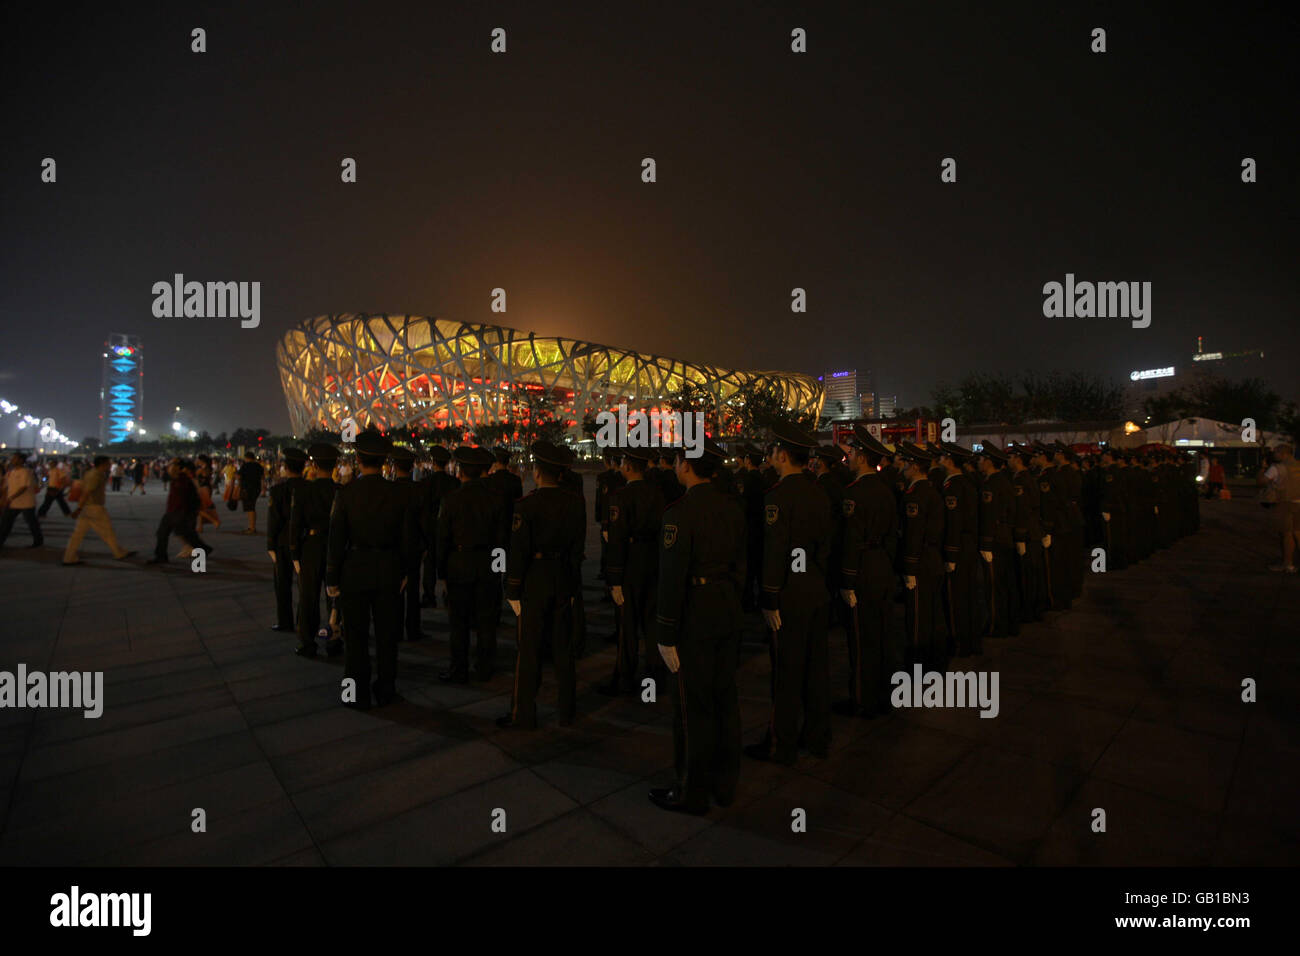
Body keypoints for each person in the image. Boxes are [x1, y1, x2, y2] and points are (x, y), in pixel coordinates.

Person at [649, 437, 746, 814]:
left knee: (691, 707)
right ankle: (725, 784)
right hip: (725, 609)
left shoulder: (680, 513)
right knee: (726, 700)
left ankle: (691, 790)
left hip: (693, 616)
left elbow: (672, 578)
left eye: (677, 460)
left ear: (686, 465)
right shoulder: (732, 508)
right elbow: (742, 566)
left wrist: (666, 632)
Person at [746, 421, 832, 766]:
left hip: (790, 595)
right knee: (816, 668)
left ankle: (780, 744)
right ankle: (817, 737)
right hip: (815, 588)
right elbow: (824, 547)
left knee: (785, 671)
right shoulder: (819, 492)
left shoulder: (778, 497)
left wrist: (769, 596)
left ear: (782, 455)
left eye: (772, 452)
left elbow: (776, 551)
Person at [497, 441, 587, 730]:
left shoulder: (528, 505)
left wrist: (512, 589)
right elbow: (577, 550)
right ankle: (567, 712)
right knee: (564, 650)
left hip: (534, 581)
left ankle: (523, 714)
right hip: (562, 577)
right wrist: (573, 586)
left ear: (537, 472)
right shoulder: (574, 504)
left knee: (529, 651)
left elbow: (519, 551)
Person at [325, 432, 419, 708]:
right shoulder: (398, 495)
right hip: (389, 569)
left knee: (355, 637)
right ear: (385, 461)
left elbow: (336, 539)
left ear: (357, 459)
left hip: (355, 569)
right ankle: (386, 689)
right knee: (388, 636)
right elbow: (408, 540)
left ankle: (355, 693)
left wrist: (332, 576)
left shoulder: (346, 494)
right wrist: (405, 572)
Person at [834, 428, 897, 718]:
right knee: (883, 635)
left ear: (861, 456)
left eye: (851, 453)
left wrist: (847, 580)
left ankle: (862, 698)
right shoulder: (886, 489)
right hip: (881, 564)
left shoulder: (854, 493)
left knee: (860, 638)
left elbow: (851, 540)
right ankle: (884, 694)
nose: (848, 458)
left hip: (861, 568)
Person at [597, 446, 665, 695]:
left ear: (627, 466)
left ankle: (624, 678)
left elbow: (616, 539)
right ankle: (654, 680)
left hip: (630, 562)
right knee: (651, 623)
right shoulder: (658, 494)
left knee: (627, 625)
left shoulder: (620, 497)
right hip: (653, 561)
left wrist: (614, 578)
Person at [436, 445, 508, 682]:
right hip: (488, 564)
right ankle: (485, 667)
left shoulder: (451, 500)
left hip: (459, 565)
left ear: (461, 471)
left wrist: (442, 573)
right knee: (487, 622)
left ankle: (459, 669)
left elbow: (443, 539)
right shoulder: (496, 500)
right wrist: (499, 571)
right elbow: (502, 540)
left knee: (459, 623)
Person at [897, 444, 946, 671]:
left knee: (917, 617)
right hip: (932, 559)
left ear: (915, 466)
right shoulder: (931, 490)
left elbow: (914, 535)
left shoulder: (915, 495)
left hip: (921, 562)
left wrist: (910, 567)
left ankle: (918, 665)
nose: (903, 467)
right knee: (932, 613)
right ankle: (935, 660)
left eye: (906, 463)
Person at [291, 443, 342, 657]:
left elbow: (295, 524)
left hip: (311, 547)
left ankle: (307, 642)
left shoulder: (303, 491)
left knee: (308, 597)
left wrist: (295, 554)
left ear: (314, 464)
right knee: (335, 596)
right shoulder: (341, 491)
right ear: (335, 466)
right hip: (335, 548)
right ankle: (334, 639)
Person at [938, 442, 981, 657]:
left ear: (949, 461)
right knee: (969, 595)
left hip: (959, 545)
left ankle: (959, 642)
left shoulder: (953, 486)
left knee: (956, 598)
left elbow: (953, 521)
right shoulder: (966, 482)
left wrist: (951, 553)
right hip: (968, 545)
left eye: (943, 456)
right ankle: (972, 640)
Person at [61, 456, 136, 565]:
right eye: (108, 463)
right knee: (108, 532)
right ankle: (118, 553)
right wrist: (78, 509)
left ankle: (68, 557)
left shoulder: (91, 473)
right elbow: (87, 492)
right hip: (94, 508)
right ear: (103, 464)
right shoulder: (95, 475)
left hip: (87, 508)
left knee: (77, 535)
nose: (110, 465)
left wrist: (80, 508)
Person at [267, 448, 310, 634]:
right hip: (306, 542)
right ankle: (306, 622)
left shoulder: (278, 490)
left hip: (283, 543)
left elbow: (273, 520)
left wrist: (270, 545)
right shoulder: (310, 488)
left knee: (282, 585)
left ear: (285, 467)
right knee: (307, 586)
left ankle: (285, 621)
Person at [389, 445, 427, 641]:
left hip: (393, 548)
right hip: (413, 547)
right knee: (413, 590)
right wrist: (425, 546)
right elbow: (424, 522)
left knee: (394, 590)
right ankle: (413, 628)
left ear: (394, 466)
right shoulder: (418, 491)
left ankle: (394, 629)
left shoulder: (388, 490)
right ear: (412, 467)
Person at [147, 459, 211, 564]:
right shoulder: (178, 479)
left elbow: (189, 498)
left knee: (176, 533)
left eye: (172, 465)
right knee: (176, 533)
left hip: (178, 512)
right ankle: (203, 548)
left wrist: (188, 513)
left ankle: (161, 556)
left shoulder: (183, 480)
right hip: (174, 511)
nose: (170, 467)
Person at [418, 446, 459, 608]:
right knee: (448, 562)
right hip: (449, 529)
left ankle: (429, 596)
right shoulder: (454, 482)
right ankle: (449, 593)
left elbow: (423, 510)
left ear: (433, 462)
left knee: (429, 565)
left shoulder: (426, 483)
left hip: (430, 530)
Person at [1262, 444, 1300, 573]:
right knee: (1297, 532)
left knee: (1286, 534)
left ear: (1283, 453)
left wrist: (1262, 467)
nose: (1274, 454)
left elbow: (1261, 481)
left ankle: (1287, 564)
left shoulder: (1277, 467)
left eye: (1276, 452)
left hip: (1285, 503)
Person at [0, 452, 45, 549]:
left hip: (26, 503)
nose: (12, 459)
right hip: (13, 503)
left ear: (21, 460)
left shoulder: (26, 472)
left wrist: (11, 497)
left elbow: (24, 487)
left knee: (32, 523)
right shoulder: (11, 472)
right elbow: (6, 486)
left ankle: (38, 540)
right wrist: (4, 498)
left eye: (15, 458)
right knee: (5, 522)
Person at [238, 451, 264, 533]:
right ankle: (252, 526)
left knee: (250, 508)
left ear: (246, 458)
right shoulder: (258, 466)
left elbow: (239, 476)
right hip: (256, 488)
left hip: (247, 489)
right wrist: (263, 489)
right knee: (252, 506)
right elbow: (262, 478)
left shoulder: (245, 466)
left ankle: (252, 527)